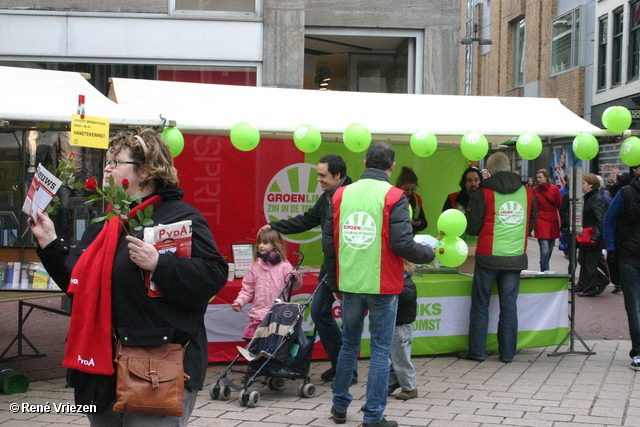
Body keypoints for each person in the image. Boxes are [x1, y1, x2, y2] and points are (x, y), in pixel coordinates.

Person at [29, 128, 229, 426]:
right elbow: (78, 284)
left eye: (115, 161)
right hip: (102, 368)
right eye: (107, 162)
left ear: (145, 171)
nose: (106, 168)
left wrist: (160, 264)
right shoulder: (107, 224)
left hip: (154, 368)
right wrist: (51, 244)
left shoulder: (179, 216)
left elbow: (213, 275)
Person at [323, 142, 435, 427]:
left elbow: (330, 241)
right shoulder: (395, 196)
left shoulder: (341, 194)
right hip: (383, 284)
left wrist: (334, 280)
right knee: (380, 351)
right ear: (392, 166)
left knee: (348, 346)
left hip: (350, 282)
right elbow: (401, 243)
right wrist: (428, 253)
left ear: (364, 163)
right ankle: (373, 416)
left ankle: (339, 407)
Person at [259, 154, 353, 382]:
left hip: (349, 266)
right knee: (320, 311)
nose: (319, 179)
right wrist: (275, 226)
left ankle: (347, 370)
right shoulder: (327, 196)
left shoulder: (351, 196)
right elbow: (306, 220)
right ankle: (342, 366)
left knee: (350, 319)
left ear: (338, 175)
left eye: (323, 175)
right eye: (318, 174)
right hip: (331, 264)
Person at [459, 151, 536, 363]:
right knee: (509, 306)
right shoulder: (527, 193)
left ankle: (477, 352)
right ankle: (508, 353)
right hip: (515, 257)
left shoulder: (483, 192)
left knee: (481, 305)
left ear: (490, 170)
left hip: (488, 258)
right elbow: (531, 224)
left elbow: (473, 229)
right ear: (509, 167)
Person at [232, 229, 302, 340]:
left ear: (274, 245)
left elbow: (294, 287)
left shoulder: (284, 265)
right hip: (258, 314)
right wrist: (239, 302)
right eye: (259, 243)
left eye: (265, 243)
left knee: (273, 344)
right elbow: (247, 289)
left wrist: (296, 279)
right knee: (254, 342)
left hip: (278, 315)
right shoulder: (254, 265)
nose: (261, 246)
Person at [603, 172, 640, 369]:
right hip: (629, 256)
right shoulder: (626, 193)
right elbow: (608, 220)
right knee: (634, 306)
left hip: (629, 253)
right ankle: (638, 351)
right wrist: (612, 248)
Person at [387, 261, 418, 401]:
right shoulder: (404, 283)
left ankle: (410, 387)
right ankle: (393, 381)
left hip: (401, 328)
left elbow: (405, 295)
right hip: (394, 326)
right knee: (392, 357)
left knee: (401, 360)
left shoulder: (407, 285)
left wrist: (392, 286)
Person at [576, 174, 610, 297]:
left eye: (584, 183)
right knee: (582, 260)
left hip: (592, 236)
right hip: (586, 235)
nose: (582, 186)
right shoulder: (588, 197)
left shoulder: (596, 199)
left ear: (591, 185)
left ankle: (591, 287)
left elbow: (600, 219)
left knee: (590, 263)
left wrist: (596, 236)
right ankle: (598, 281)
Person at [533, 168, 562, 272]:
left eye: (540, 177)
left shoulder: (554, 189)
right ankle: (545, 269)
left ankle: (544, 262)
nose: (538, 179)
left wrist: (562, 222)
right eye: (537, 177)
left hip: (553, 219)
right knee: (544, 246)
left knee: (550, 246)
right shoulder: (535, 190)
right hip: (541, 219)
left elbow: (560, 205)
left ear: (546, 177)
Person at [395, 166, 427, 234]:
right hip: (396, 235)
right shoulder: (392, 196)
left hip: (412, 235)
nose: (409, 192)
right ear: (400, 184)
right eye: (406, 189)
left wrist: (419, 223)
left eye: (412, 190)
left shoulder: (416, 198)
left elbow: (424, 222)